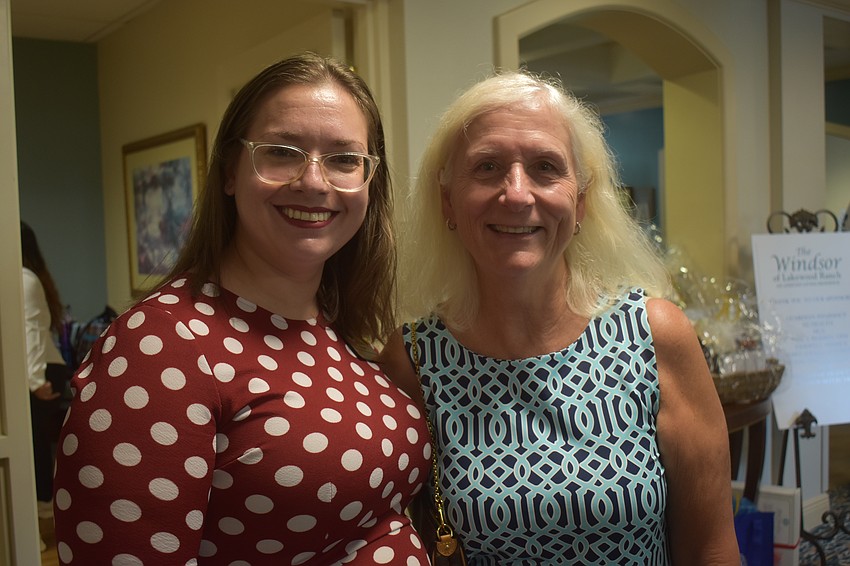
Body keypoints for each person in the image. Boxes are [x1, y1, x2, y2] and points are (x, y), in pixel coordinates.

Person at [52, 52, 430, 565]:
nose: (315, 182)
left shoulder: (341, 330)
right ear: (230, 170)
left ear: (368, 180)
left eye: (344, 159)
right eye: (281, 151)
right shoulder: (161, 345)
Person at [379, 70, 741, 564]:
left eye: (546, 167)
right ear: (448, 200)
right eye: (486, 167)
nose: (517, 193)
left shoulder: (656, 337)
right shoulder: (415, 359)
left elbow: (711, 547)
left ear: (581, 202)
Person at [21, 221, 72, 551]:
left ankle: (36, 527)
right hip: (34, 370)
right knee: (35, 447)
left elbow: (32, 333)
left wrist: (36, 381)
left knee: (35, 449)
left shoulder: (25, 280)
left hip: (40, 371)